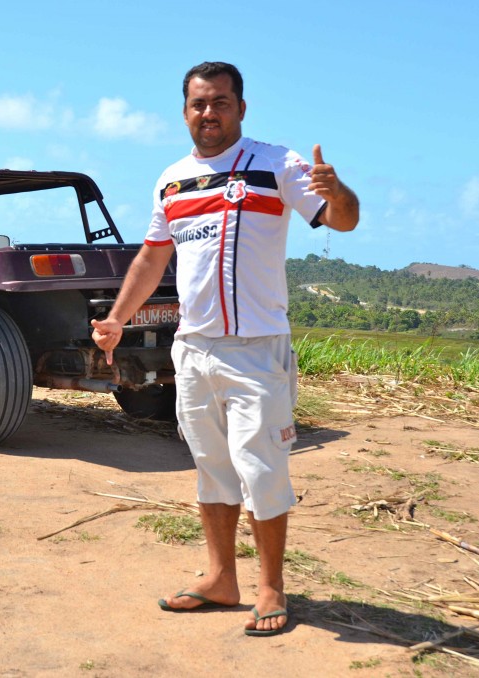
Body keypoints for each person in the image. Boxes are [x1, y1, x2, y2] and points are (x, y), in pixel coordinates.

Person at [91, 61, 358, 637]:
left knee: (262, 470)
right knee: (211, 468)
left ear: (241, 107)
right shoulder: (171, 180)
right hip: (193, 349)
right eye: (198, 104)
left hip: (257, 349)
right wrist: (116, 319)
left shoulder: (277, 164)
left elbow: (343, 220)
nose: (208, 113)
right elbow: (151, 258)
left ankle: (270, 587)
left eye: (219, 102)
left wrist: (338, 191)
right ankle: (220, 578)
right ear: (184, 110)